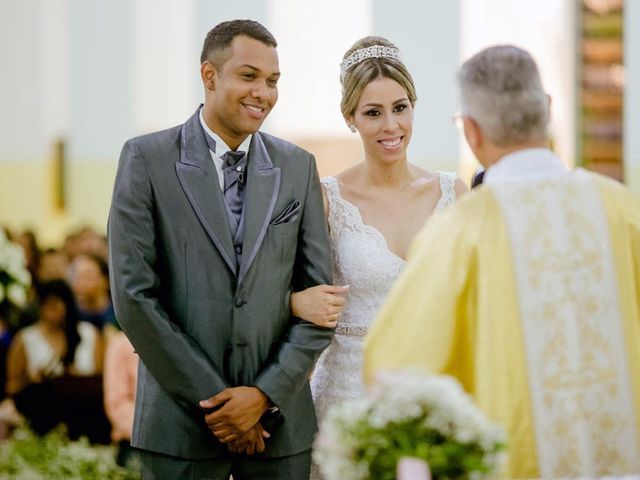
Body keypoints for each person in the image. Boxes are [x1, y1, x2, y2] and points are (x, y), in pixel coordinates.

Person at [363, 45, 640, 479]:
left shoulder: (461, 231)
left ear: (471, 131)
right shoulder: (624, 211)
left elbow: (399, 366)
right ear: (547, 110)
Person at [108, 19, 333, 479]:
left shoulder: (297, 167)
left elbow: (320, 303)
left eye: (272, 81)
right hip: (179, 429)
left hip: (279, 431)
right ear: (210, 76)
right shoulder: (146, 159)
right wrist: (222, 408)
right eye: (249, 76)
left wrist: (263, 397)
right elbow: (135, 298)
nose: (263, 93)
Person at [289, 36, 466, 479]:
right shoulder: (326, 198)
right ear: (350, 118)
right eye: (373, 112)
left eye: (400, 107)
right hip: (347, 397)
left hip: (432, 394)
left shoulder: (453, 194)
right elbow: (287, 289)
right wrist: (294, 302)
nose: (391, 125)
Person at [6, 280, 107, 441]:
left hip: (86, 418)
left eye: (57, 304)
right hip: (43, 421)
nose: (52, 310)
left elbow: (104, 379)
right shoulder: (25, 339)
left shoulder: (89, 334)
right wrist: (30, 379)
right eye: (47, 304)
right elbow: (11, 387)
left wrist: (77, 378)